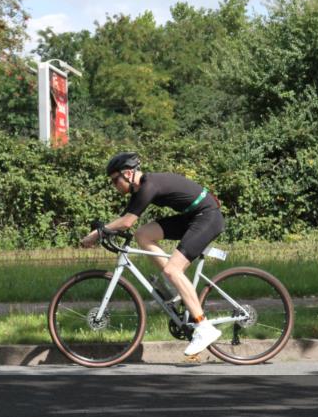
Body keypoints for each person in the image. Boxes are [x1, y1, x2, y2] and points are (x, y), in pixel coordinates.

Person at [80, 152, 226, 356]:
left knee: (172, 270)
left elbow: (126, 222)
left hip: (207, 217)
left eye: (115, 180)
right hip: (192, 216)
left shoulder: (149, 185)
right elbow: (125, 219)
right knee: (144, 235)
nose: (114, 185)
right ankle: (175, 290)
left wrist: (96, 234)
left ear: (129, 174)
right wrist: (105, 229)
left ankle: (204, 327)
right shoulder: (141, 188)